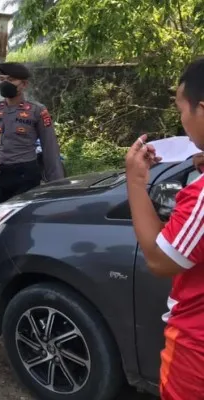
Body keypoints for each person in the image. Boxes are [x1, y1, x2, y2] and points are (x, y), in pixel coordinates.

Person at [125, 57, 204, 400]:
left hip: (195, 355)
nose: (181, 121)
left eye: (181, 108)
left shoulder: (201, 197)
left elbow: (159, 259)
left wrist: (135, 181)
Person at [0, 62, 64, 206]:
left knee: (24, 219)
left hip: (26, 174)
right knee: (1, 217)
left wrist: (57, 186)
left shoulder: (37, 111)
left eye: (10, 80)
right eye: (2, 79)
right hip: (0, 173)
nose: (5, 83)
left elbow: (50, 148)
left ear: (24, 85)